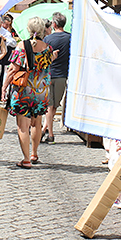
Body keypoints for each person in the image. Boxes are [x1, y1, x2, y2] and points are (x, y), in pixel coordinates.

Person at [2, 17, 53, 169]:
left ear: (29, 30)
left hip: (23, 90)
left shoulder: (21, 46)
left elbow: (13, 69)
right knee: (37, 123)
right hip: (41, 91)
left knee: (23, 125)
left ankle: (26, 159)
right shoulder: (48, 49)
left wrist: (4, 87)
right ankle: (34, 154)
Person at [43, 12, 70, 143]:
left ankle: (49, 133)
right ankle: (46, 131)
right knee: (53, 106)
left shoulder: (47, 39)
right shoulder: (70, 38)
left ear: (53, 24)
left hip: (48, 75)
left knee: (50, 106)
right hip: (62, 75)